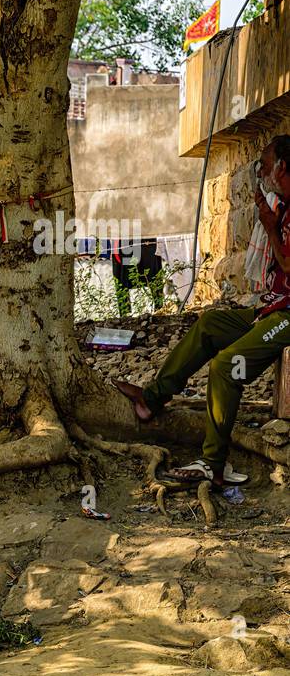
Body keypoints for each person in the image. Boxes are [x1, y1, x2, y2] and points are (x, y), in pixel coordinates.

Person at [115, 135, 290, 483]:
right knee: (210, 324)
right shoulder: (283, 206)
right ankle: (153, 398)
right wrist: (270, 219)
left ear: (283, 167)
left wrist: (270, 228)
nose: (261, 172)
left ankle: (213, 464)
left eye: (266, 165)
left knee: (227, 366)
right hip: (274, 308)